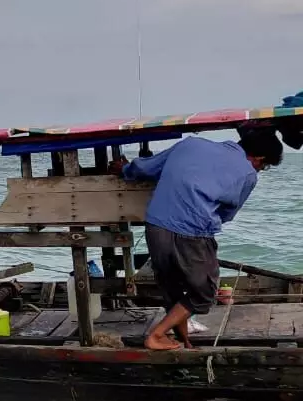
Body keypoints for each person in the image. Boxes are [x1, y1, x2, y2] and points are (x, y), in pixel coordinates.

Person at [110, 127, 283, 350]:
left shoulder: (190, 144)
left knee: (173, 290)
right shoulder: (248, 174)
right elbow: (227, 214)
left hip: (156, 227)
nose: (260, 170)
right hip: (193, 233)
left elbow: (147, 167)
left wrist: (125, 168)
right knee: (204, 294)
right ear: (258, 158)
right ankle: (156, 335)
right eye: (264, 166)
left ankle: (184, 341)